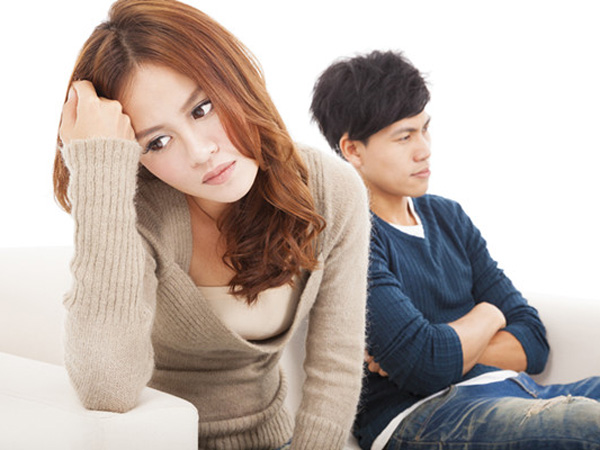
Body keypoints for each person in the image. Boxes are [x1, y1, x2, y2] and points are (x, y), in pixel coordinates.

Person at [53, 1, 371, 448]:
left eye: (202, 109)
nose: (200, 152)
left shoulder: (331, 190)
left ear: (235, 80)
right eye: (158, 142)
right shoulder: (139, 212)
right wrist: (98, 169)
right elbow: (107, 388)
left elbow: (335, 366)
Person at [311, 50, 600, 450]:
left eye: (425, 129)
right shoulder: (352, 234)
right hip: (425, 416)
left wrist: (444, 352)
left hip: (516, 393)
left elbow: (533, 341)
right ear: (353, 150)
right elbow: (426, 367)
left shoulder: (448, 217)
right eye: (404, 137)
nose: (424, 149)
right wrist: (489, 314)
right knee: (589, 425)